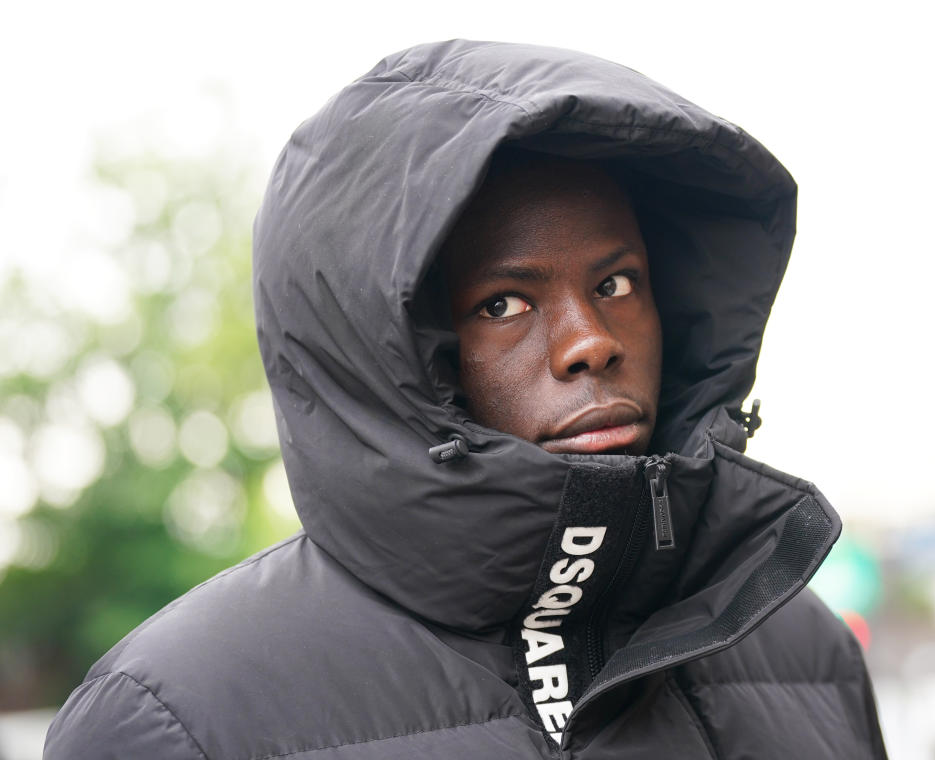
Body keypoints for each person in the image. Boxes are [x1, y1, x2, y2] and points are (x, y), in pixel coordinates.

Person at [44, 40, 888, 758]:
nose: (591, 340)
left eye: (617, 281)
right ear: (392, 356)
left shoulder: (800, 645)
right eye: (503, 304)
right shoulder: (181, 718)